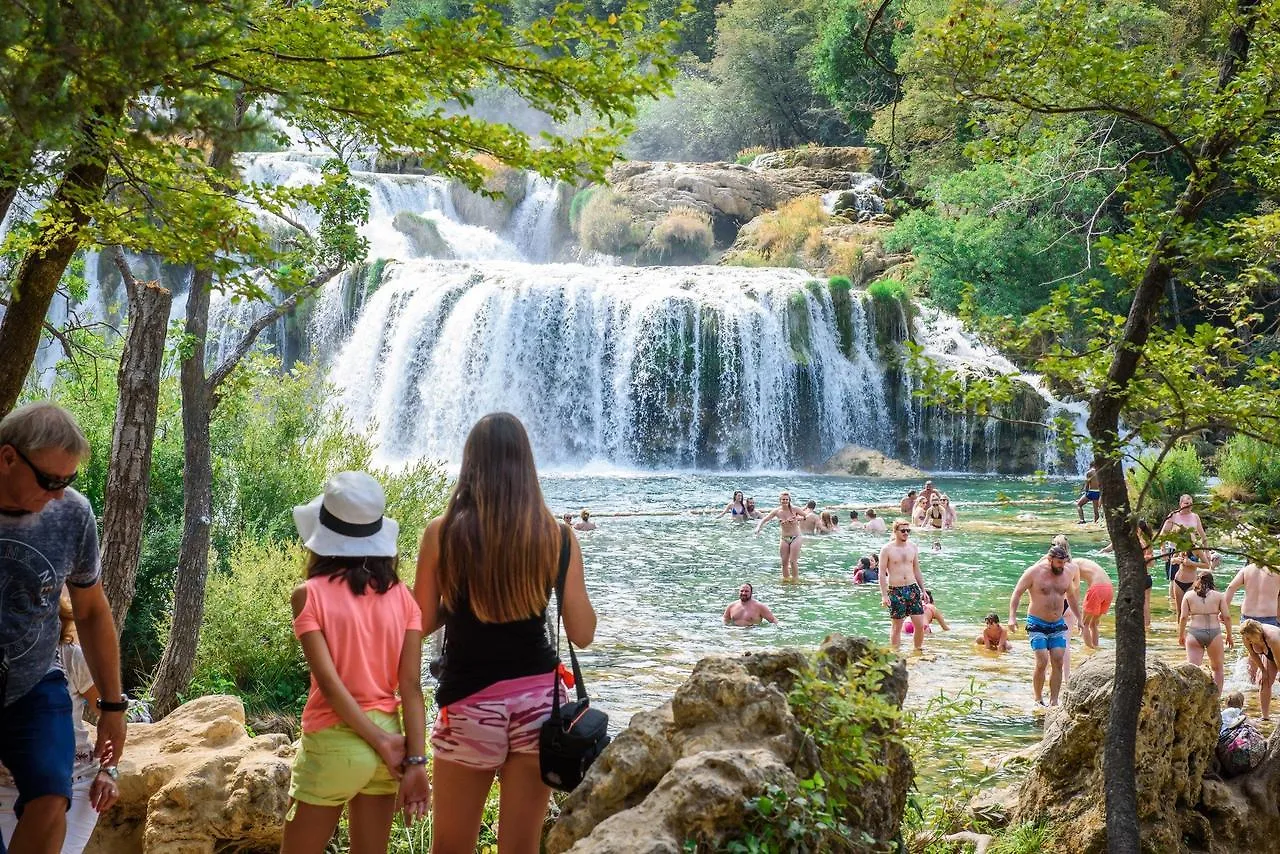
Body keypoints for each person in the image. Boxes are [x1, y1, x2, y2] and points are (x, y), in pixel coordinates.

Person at [414, 413, 596, 854]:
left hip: (469, 703)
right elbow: (583, 633)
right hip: (538, 705)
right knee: (520, 847)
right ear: (526, 465)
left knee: (452, 847)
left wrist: (457, 602)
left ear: (471, 463)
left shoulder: (442, 533)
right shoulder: (558, 536)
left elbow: (416, 623)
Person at [0, 402, 126, 854]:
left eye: (67, 482)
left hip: (37, 679)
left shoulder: (73, 514)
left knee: (53, 795)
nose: (59, 494)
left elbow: (91, 612)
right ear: (8, 457)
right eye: (51, 481)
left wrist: (113, 706)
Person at [282, 472, 429, 854]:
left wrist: (378, 742)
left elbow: (330, 685)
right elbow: (412, 687)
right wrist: (415, 760)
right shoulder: (404, 598)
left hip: (336, 742)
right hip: (393, 741)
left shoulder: (308, 595)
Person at [0, 593, 119, 854]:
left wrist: (109, 771)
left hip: (76, 786)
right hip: (6, 789)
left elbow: (112, 721)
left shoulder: (71, 658)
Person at [1008, 545, 1083, 706]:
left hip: (1057, 624)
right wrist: (1012, 617)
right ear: (1049, 560)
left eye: (1064, 562)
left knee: (1058, 660)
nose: (1062, 566)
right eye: (1058, 563)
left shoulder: (1067, 573)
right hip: (1037, 622)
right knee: (1042, 661)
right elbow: (1017, 593)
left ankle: (1054, 701)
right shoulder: (1034, 572)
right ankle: (1038, 698)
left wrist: (1079, 618)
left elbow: (1070, 597)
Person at [1177, 571, 1232, 692]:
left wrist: (1181, 634)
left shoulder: (1188, 596)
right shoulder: (1218, 596)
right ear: (1212, 581)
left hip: (1195, 632)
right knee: (1217, 669)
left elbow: (1183, 617)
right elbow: (1227, 617)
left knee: (1193, 669)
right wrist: (1229, 635)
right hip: (1214, 633)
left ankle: (1193, 698)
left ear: (1197, 580)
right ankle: (1216, 700)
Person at [879, 521, 927, 651]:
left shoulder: (912, 547)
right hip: (895, 590)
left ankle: (917, 651)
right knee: (897, 627)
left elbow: (917, 569)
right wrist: (884, 595)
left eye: (908, 530)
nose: (906, 533)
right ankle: (896, 655)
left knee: (920, 625)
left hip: (912, 588)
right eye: (903, 530)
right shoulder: (887, 549)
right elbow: (882, 574)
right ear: (895, 532)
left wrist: (923, 590)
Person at [755, 492, 809, 582]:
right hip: (784, 538)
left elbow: (805, 516)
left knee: (792, 561)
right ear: (780, 501)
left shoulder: (795, 509)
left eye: (786, 499)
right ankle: (786, 580)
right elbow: (765, 519)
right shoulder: (777, 511)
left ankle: (795, 580)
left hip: (796, 537)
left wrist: (797, 519)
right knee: (784, 562)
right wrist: (758, 528)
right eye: (783, 499)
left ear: (789, 500)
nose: (785, 501)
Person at [1240, 619, 1280, 721]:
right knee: (1264, 681)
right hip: (1270, 655)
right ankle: (1265, 717)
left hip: (1278, 652)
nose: (1247, 640)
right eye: (1246, 638)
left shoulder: (1272, 637)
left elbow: (1278, 660)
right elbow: (1253, 654)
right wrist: (1263, 670)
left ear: (1256, 633)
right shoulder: (1246, 636)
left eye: (1249, 638)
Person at [1169, 549, 1211, 628]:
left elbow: (1207, 565)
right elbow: (1171, 560)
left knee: (1192, 610)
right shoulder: (1180, 547)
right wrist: (1175, 560)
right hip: (1178, 581)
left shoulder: (1197, 550)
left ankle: (1193, 631)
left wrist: (1192, 563)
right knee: (1180, 610)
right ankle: (1180, 632)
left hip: (1191, 583)